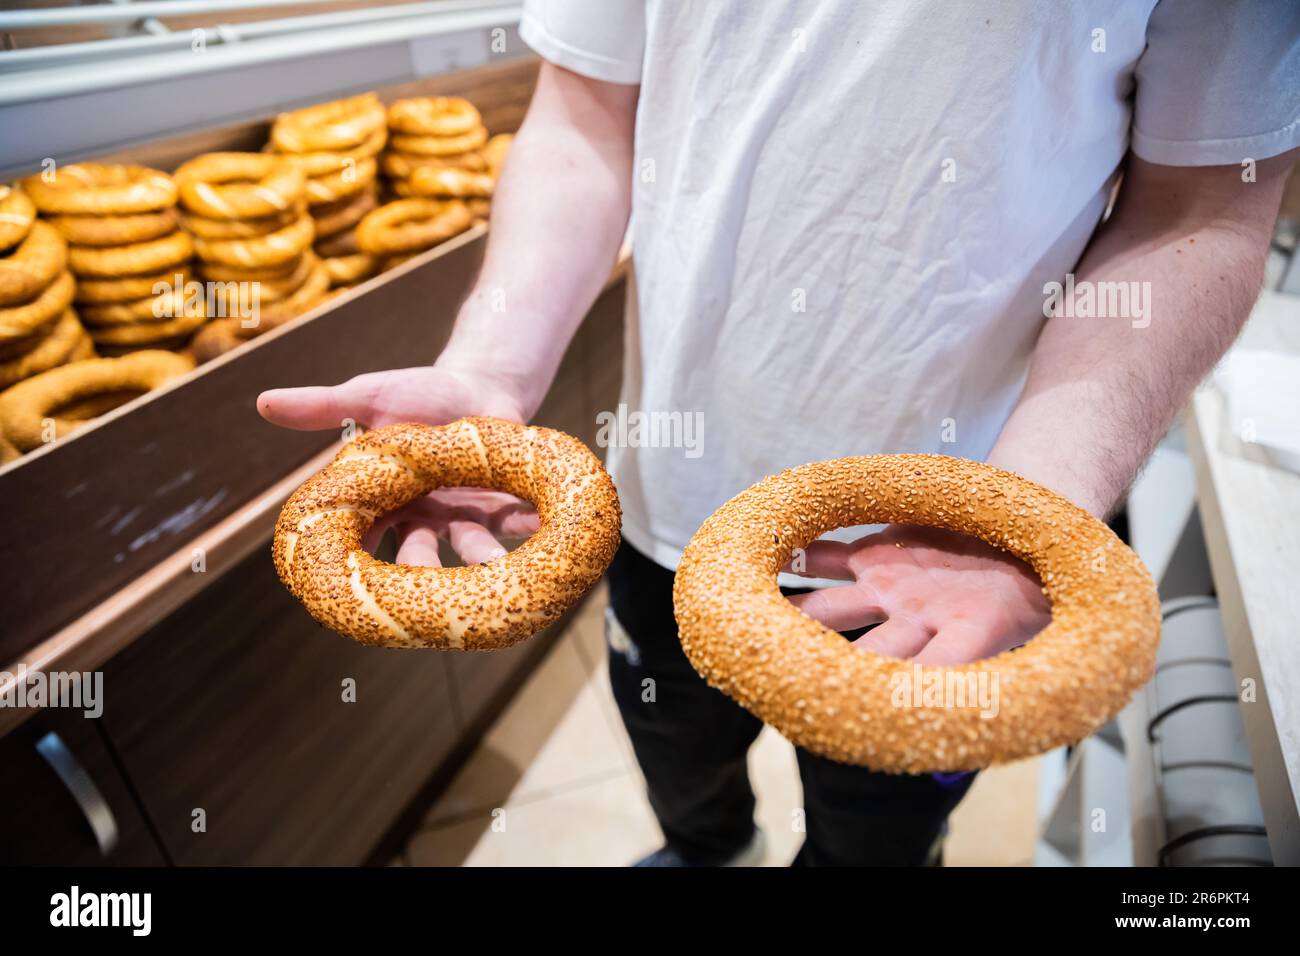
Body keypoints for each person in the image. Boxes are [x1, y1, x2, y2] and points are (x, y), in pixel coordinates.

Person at [259, 1, 1299, 865]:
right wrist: (491, 364)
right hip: (657, 495)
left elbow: (1199, 209)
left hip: (950, 553)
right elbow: (583, 116)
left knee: (874, 832)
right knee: (676, 749)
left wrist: (1025, 512)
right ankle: (712, 850)